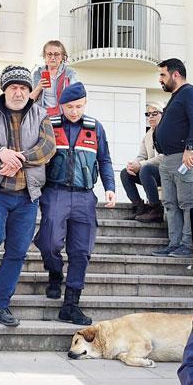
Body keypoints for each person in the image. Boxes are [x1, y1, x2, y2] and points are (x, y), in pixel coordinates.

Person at [0, 65, 56, 327]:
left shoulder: (41, 115)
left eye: (23, 88)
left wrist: (17, 158)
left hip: (27, 195)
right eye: (13, 87)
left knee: (17, 251)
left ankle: (0, 305)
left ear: (29, 91)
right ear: (5, 89)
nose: (18, 92)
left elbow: (47, 148)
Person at [33, 82, 116, 325]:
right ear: (62, 105)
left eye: (79, 106)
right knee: (49, 243)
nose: (74, 111)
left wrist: (110, 188)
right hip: (54, 193)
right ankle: (55, 272)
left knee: (81, 251)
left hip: (84, 196)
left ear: (85, 103)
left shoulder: (95, 128)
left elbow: (105, 160)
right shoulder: (50, 125)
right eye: (70, 106)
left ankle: (70, 304)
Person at [151, 58, 193, 258]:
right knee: (171, 204)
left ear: (176, 74)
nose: (160, 80)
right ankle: (174, 244)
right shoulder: (175, 96)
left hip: (184, 158)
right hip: (168, 159)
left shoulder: (190, 93)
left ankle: (188, 245)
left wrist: (190, 148)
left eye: (163, 75)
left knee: (186, 203)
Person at [123, 102, 165, 222]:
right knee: (125, 173)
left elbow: (164, 157)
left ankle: (155, 209)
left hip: (167, 172)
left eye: (154, 113)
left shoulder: (167, 131)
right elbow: (142, 155)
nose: (150, 117)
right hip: (152, 172)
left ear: (163, 114)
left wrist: (140, 165)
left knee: (146, 169)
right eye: (148, 114)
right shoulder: (148, 135)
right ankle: (139, 207)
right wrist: (133, 165)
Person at [30, 40, 78, 116]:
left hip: (62, 115)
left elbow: (76, 97)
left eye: (56, 54)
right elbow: (30, 100)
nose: (53, 57)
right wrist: (39, 87)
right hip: (41, 116)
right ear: (44, 56)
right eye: (49, 54)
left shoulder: (69, 73)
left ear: (62, 56)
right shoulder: (38, 74)